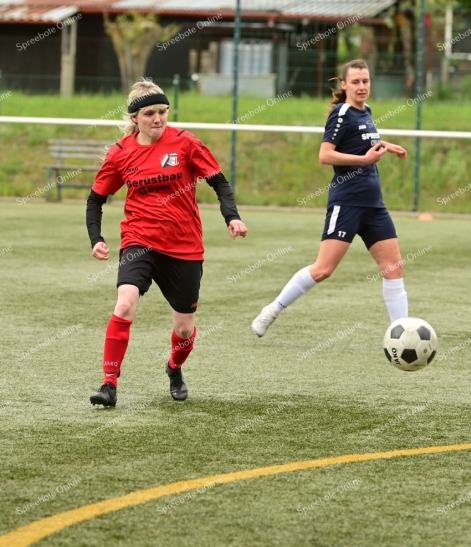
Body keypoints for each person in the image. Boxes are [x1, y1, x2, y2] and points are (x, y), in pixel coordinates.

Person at [86, 79, 248, 407]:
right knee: (124, 304)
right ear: (135, 118)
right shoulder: (120, 153)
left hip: (184, 246)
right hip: (139, 240)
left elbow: (219, 182)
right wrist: (96, 238)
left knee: (185, 329)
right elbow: (96, 199)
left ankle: (174, 367)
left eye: (162, 111)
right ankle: (109, 384)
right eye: (149, 113)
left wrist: (232, 217)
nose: (158, 118)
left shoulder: (186, 143)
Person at [251, 59, 409, 337]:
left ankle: (402, 333)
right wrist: (364, 160)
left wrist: (386, 144)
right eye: (356, 82)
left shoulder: (366, 111)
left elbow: (362, 141)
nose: (362, 86)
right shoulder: (341, 113)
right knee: (323, 269)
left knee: (393, 268)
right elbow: (325, 155)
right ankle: (273, 308)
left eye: (366, 81)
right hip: (347, 202)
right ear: (345, 85)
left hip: (374, 205)